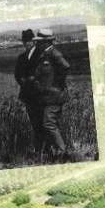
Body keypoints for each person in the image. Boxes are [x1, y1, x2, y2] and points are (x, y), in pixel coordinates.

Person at [32, 28, 71, 161]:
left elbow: (65, 67)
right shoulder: (45, 55)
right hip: (47, 97)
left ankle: (62, 152)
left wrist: (57, 85)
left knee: (48, 123)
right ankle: (56, 152)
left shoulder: (54, 53)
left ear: (46, 42)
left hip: (54, 96)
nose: (37, 44)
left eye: (40, 42)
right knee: (50, 123)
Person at [14, 29, 44, 153]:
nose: (28, 43)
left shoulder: (40, 54)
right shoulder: (21, 57)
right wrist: (22, 80)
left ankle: (44, 148)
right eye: (25, 41)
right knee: (34, 122)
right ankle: (39, 149)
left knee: (42, 121)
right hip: (27, 94)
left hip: (39, 94)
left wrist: (33, 79)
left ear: (34, 41)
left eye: (30, 41)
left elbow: (43, 72)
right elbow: (16, 74)